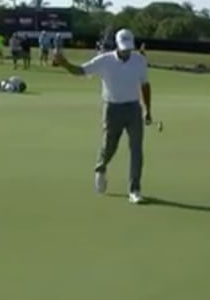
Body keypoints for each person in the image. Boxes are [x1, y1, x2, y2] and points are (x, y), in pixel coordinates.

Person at [52, 28, 152, 204]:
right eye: (123, 47)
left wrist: (147, 110)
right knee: (110, 147)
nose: (126, 51)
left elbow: (145, 85)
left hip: (133, 109)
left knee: (137, 150)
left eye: (129, 47)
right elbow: (81, 71)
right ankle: (101, 168)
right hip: (112, 108)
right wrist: (65, 63)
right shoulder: (104, 61)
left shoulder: (139, 60)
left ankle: (134, 190)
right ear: (117, 45)